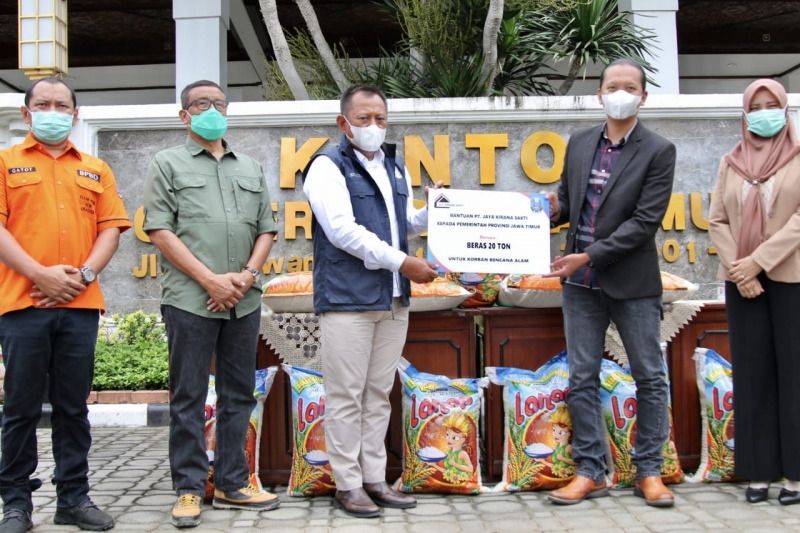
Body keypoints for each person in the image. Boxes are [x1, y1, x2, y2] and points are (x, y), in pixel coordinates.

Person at [142, 80, 280, 528]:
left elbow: (265, 229)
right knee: (189, 395)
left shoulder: (251, 166)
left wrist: (247, 277)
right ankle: (187, 487)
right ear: (184, 115)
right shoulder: (167, 163)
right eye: (201, 104)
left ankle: (232, 482)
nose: (212, 111)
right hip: (190, 299)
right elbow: (160, 231)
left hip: (243, 297)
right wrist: (210, 280)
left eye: (219, 104)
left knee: (239, 393)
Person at [544, 59, 676, 508]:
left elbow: (644, 223)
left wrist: (590, 255)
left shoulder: (659, 150)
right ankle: (590, 471)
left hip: (632, 281)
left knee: (649, 377)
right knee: (582, 377)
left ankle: (650, 472)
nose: (621, 92)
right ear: (599, 95)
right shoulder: (580, 143)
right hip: (580, 283)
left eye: (630, 86)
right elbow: (567, 204)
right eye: (612, 86)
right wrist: (536, 211)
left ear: (643, 96)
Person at [0, 77, 131, 532]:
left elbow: (110, 229)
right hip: (21, 303)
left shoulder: (95, 168)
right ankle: (15, 503)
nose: (52, 111)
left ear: (75, 115)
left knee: (73, 407)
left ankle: (73, 497)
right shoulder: (4, 162)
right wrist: (40, 275)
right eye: (43, 104)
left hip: (80, 303)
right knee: (19, 407)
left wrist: (84, 276)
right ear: (26, 113)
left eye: (61, 105)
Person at [302, 85, 438, 518]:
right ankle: (348, 484)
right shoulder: (327, 167)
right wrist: (403, 263)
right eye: (363, 119)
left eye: (380, 118)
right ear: (344, 123)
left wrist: (436, 210)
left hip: (392, 300)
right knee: (346, 395)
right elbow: (342, 232)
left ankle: (375, 478)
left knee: (379, 393)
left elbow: (404, 226)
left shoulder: (395, 167)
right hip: (348, 299)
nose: (373, 126)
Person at [708, 78, 800, 506]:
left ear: (784, 110)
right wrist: (740, 270)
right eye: (756, 106)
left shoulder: (799, 158)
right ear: (745, 114)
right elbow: (717, 220)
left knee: (793, 375)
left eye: (772, 105)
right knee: (753, 374)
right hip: (741, 283)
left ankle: (795, 475)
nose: (765, 112)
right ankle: (760, 472)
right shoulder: (731, 161)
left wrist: (758, 261)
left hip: (790, 279)